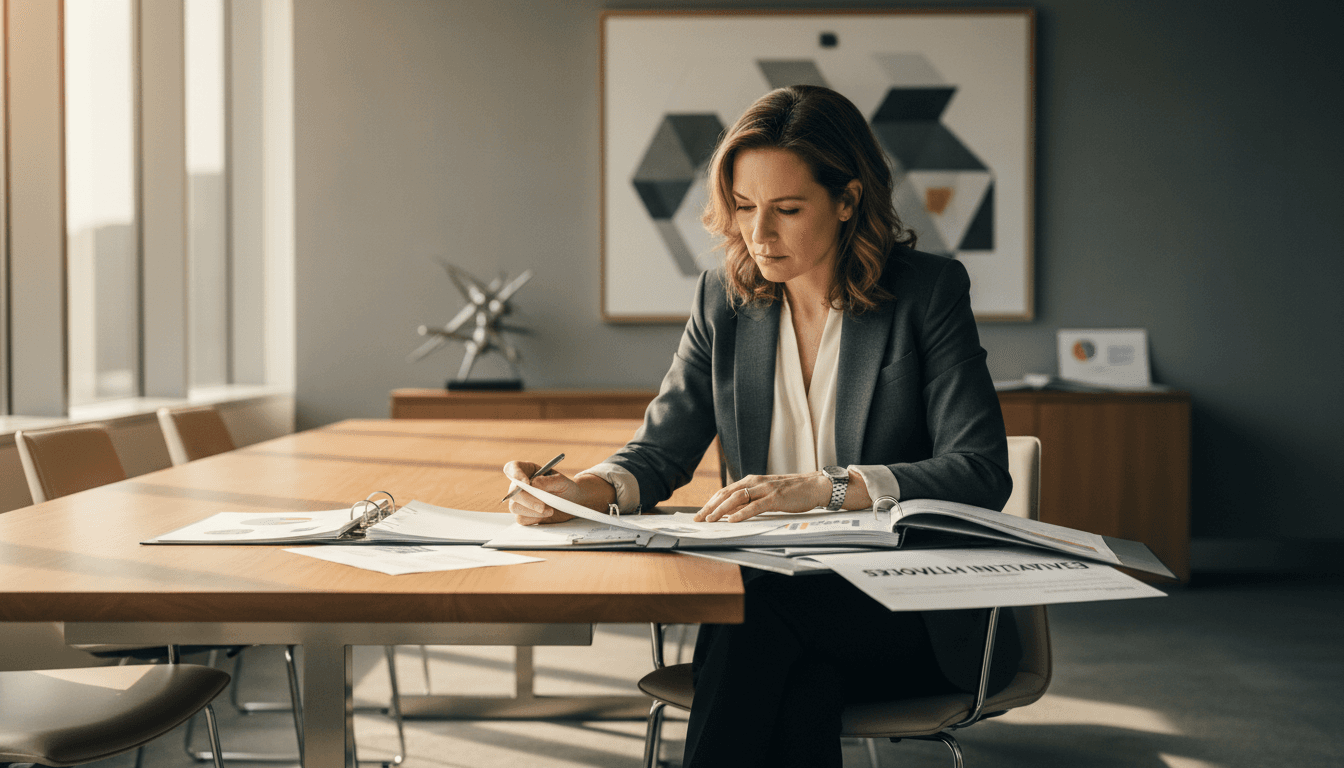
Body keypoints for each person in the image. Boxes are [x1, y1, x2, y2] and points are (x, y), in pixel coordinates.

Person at [504, 84, 1021, 768]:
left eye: (787, 209)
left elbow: (981, 470)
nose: (757, 233)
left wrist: (827, 489)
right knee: (797, 680)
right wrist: (582, 492)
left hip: (909, 614)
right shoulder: (724, 299)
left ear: (848, 200)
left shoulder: (927, 294)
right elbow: (663, 448)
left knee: (757, 616)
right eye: (744, 207)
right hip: (784, 620)